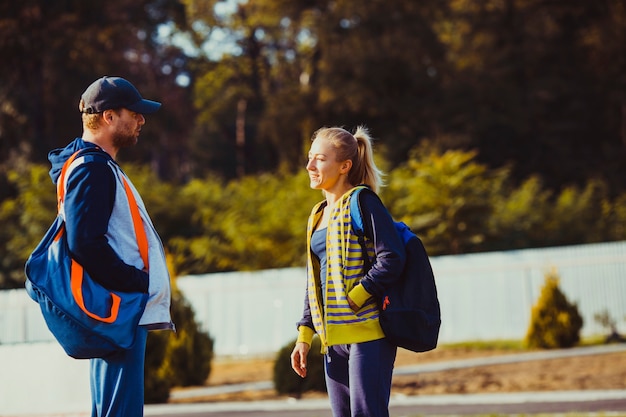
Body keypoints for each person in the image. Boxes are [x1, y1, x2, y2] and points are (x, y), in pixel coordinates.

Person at [47, 76, 174, 417]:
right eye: (134, 112)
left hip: (117, 309)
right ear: (108, 117)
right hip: (121, 309)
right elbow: (85, 244)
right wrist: (137, 284)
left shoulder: (92, 165)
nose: (141, 120)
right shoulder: (93, 169)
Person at [290, 126, 406, 417]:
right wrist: (304, 335)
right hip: (332, 341)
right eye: (309, 158)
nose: (309, 166)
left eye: (319, 159)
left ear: (344, 166)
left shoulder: (363, 202)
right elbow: (313, 281)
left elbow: (392, 256)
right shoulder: (317, 215)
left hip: (367, 335)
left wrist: (356, 296)